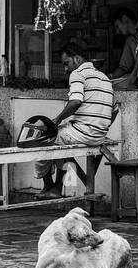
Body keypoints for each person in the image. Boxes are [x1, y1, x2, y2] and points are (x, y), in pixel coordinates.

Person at [34, 40, 114, 197]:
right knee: (60, 139)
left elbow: (76, 101)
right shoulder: (104, 77)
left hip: (84, 133)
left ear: (77, 59)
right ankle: (53, 188)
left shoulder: (77, 74)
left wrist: (56, 120)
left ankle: (51, 187)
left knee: (43, 138)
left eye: (67, 63)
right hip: (100, 135)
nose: (65, 69)